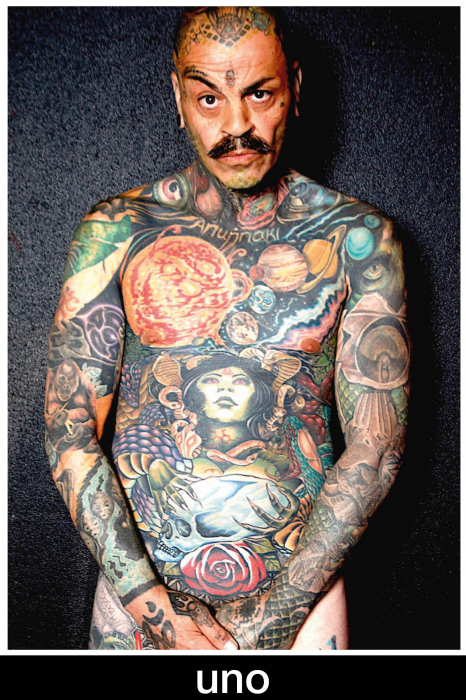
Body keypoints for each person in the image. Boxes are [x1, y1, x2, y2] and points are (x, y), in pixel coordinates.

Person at [45, 6, 410, 651]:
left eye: (259, 94)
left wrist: (279, 614)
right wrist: (155, 609)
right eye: (209, 97)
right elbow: (69, 430)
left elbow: (375, 448)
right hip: (140, 607)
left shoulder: (355, 238)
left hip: (301, 610)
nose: (236, 125)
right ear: (178, 96)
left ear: (294, 87)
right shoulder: (117, 232)